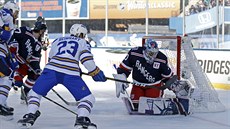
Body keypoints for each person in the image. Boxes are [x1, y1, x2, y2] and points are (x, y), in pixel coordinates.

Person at [17, 23, 107, 129]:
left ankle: (30, 115)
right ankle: (82, 119)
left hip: (51, 70)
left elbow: (51, 59)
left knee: (34, 93)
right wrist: (95, 72)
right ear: (81, 34)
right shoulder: (83, 42)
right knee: (87, 98)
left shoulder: (58, 40)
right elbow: (86, 60)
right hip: (70, 73)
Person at [114, 38, 191, 115]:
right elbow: (124, 68)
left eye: (155, 53)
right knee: (136, 106)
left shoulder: (162, 58)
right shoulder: (134, 53)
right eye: (151, 53)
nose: (153, 56)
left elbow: (167, 77)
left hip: (154, 86)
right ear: (145, 50)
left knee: (152, 108)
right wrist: (121, 77)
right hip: (137, 85)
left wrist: (173, 84)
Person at [8, 21, 47, 103]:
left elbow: (35, 58)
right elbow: (14, 36)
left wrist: (36, 69)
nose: (43, 34)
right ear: (40, 30)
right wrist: (13, 50)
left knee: (34, 75)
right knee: (14, 78)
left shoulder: (38, 44)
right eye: (43, 31)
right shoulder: (25, 30)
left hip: (23, 62)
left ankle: (25, 92)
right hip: (12, 58)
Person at [0, 1, 19, 119]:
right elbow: (4, 36)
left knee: (6, 77)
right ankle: (1, 103)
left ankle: (3, 102)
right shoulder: (7, 15)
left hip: (3, 53)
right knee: (7, 77)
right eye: (16, 11)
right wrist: (5, 31)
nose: (16, 15)